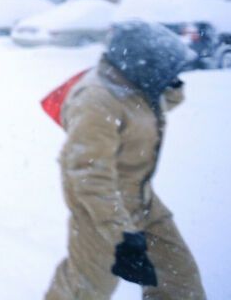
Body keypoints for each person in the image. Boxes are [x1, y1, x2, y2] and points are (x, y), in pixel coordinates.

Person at [44, 20, 206, 300]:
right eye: (165, 67)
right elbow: (88, 175)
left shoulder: (134, 86)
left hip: (143, 200)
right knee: (85, 290)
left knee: (180, 282)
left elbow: (154, 108)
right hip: (101, 209)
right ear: (142, 63)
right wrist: (121, 236)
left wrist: (171, 82)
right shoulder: (95, 100)